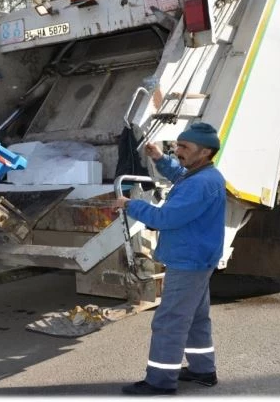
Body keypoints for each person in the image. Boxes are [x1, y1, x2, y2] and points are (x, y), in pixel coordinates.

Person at [114, 123, 226, 395]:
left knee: (170, 321)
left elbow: (166, 218)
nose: (178, 151)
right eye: (177, 145)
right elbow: (180, 175)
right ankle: (203, 370)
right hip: (198, 259)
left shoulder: (200, 184)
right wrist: (158, 158)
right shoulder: (203, 175)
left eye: (184, 147)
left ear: (205, 151)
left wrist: (131, 204)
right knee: (197, 318)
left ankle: (160, 382)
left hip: (188, 261)